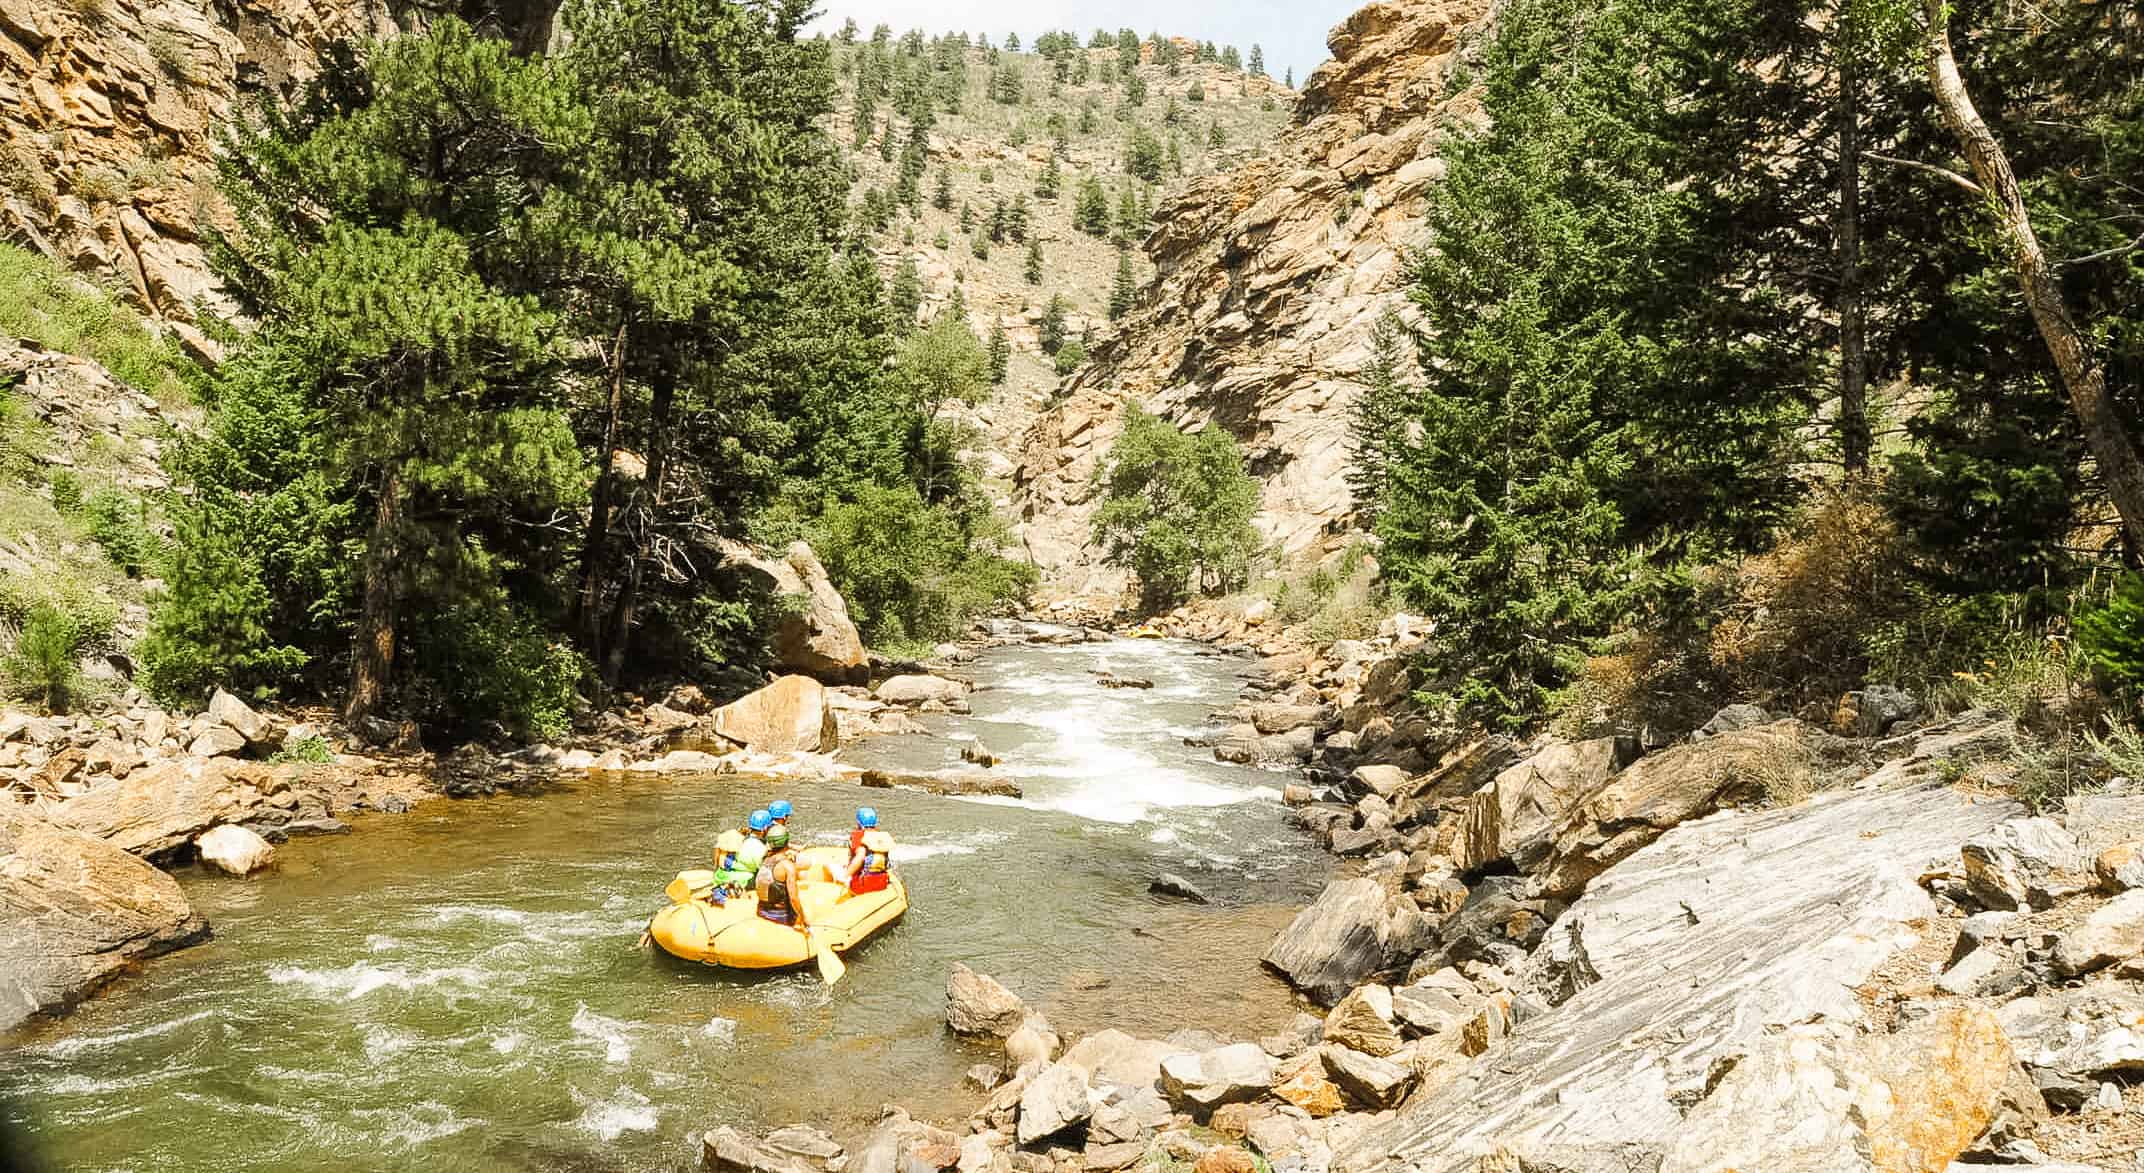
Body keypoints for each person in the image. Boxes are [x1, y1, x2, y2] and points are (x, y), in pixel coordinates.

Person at [755, 824, 806, 927]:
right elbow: (793, 898)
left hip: (762, 911)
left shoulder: (765, 860)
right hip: (781, 916)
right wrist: (803, 919)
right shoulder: (787, 866)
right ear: (787, 842)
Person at [713, 809, 772, 894]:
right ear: (765, 829)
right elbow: (765, 871)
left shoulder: (735, 836)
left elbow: (718, 858)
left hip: (719, 877)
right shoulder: (760, 848)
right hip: (741, 882)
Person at [841, 806, 894, 895]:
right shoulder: (880, 838)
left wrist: (845, 876)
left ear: (858, 823)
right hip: (881, 883)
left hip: (862, 886)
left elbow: (860, 857)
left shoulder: (859, 836)